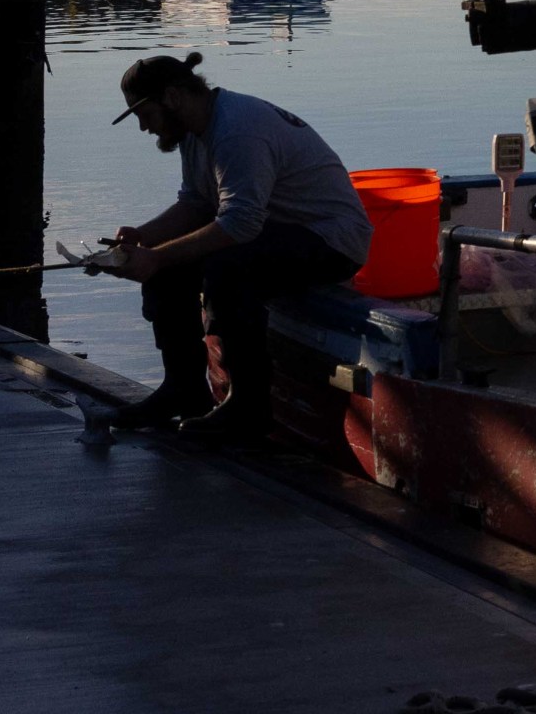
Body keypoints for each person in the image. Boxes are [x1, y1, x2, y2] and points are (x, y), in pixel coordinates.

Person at [95, 52, 370, 444]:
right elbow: (196, 203)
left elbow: (241, 223)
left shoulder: (237, 130)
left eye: (144, 115)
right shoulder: (194, 131)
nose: (144, 128)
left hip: (330, 239)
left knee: (227, 269)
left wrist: (156, 256)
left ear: (172, 97)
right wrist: (144, 237)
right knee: (168, 267)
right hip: (274, 231)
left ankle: (249, 409)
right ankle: (183, 390)